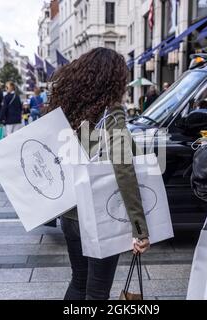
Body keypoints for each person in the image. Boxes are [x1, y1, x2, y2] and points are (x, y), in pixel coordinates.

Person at [46, 47, 151, 300]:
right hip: (98, 215)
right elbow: (124, 170)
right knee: (96, 292)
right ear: (114, 80)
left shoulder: (68, 108)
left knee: (79, 282)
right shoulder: (111, 114)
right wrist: (139, 226)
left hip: (70, 213)